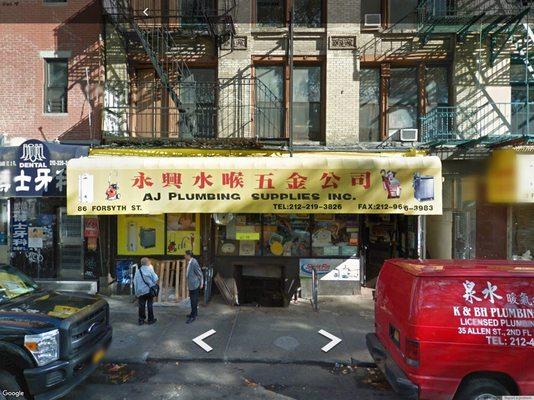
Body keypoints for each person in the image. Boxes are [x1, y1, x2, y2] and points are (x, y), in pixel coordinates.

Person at [134, 257, 159, 325]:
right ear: (148, 262)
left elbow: (135, 283)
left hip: (140, 291)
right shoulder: (150, 270)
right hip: (149, 291)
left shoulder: (138, 272)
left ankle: (141, 320)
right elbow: (156, 278)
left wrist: (136, 292)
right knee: (149, 305)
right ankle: (150, 320)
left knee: (141, 305)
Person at [185, 250, 203, 324]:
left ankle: (193, 316)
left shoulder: (194, 262)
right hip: (191, 284)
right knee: (192, 300)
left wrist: (201, 283)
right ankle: (193, 313)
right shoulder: (190, 262)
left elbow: (200, 273)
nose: (184, 256)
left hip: (194, 284)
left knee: (194, 300)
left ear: (189, 255)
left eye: (185, 255)